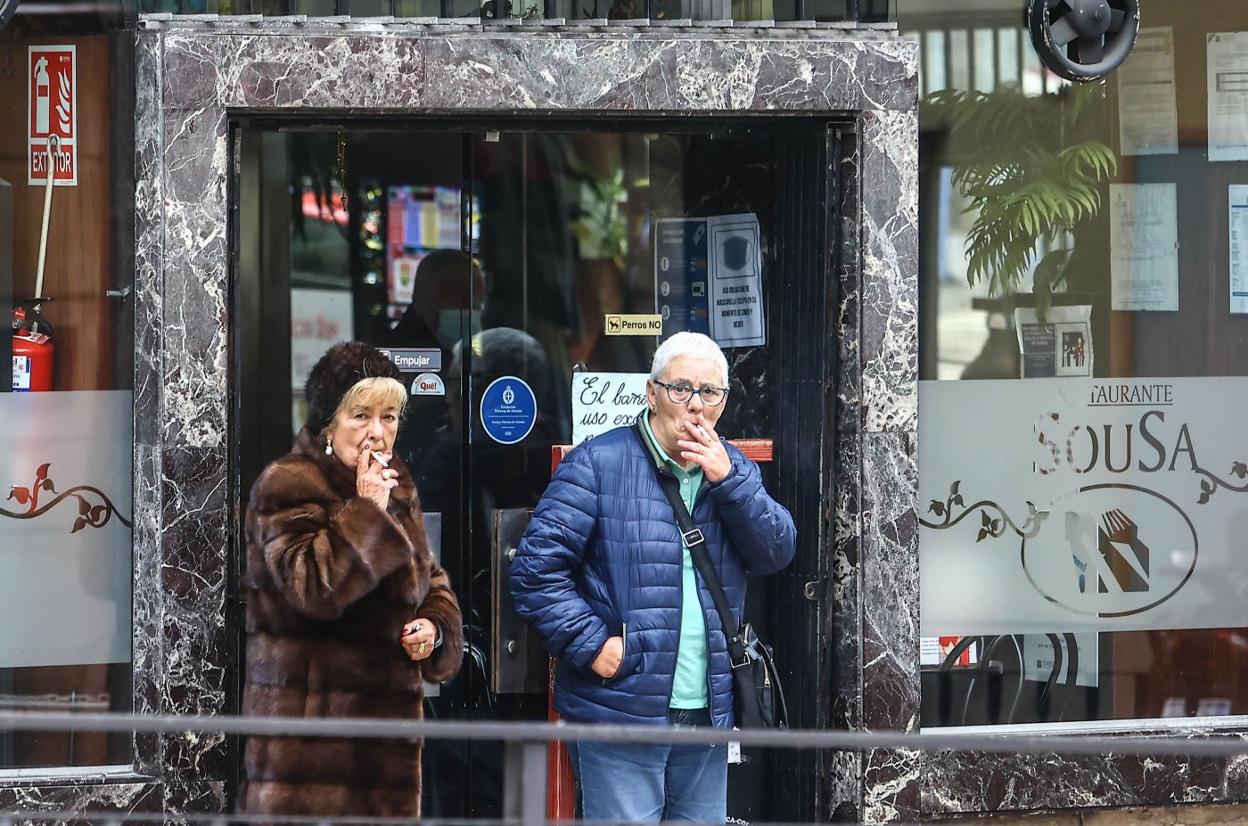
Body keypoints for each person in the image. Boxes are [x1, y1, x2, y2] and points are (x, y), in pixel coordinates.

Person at [509, 331, 797, 824]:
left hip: (707, 708)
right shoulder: (598, 464)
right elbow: (535, 572)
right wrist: (593, 644)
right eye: (680, 388)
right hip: (622, 708)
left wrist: (728, 483)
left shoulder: (732, 471)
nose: (695, 405)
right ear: (651, 393)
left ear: (723, 404)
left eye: (710, 393)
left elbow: (777, 551)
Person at [241, 341, 463, 818]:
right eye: (360, 416)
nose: (377, 434)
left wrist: (436, 627)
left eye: (390, 416)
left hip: (387, 748)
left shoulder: (394, 480)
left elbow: (429, 575)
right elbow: (313, 589)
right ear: (328, 423)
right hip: (314, 755)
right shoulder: (287, 483)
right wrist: (365, 512)